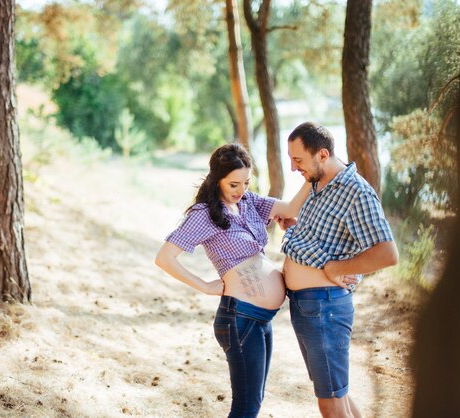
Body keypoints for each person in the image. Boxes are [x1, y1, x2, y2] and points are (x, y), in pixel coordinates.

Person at [155, 143, 314, 418]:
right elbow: (165, 258)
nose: (241, 191)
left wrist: (311, 176)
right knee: (246, 407)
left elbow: (288, 207)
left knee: (254, 401)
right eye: (233, 185)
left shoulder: (249, 201)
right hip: (239, 318)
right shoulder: (204, 214)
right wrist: (204, 286)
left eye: (246, 182)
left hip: (260, 319)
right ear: (217, 179)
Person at [280, 122, 399, 418]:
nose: (294, 169)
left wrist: (338, 268)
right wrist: (297, 230)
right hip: (308, 306)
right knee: (336, 394)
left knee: (330, 405)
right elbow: (324, 233)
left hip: (326, 308)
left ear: (322, 154)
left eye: (298, 160)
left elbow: (387, 252)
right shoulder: (317, 182)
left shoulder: (356, 192)